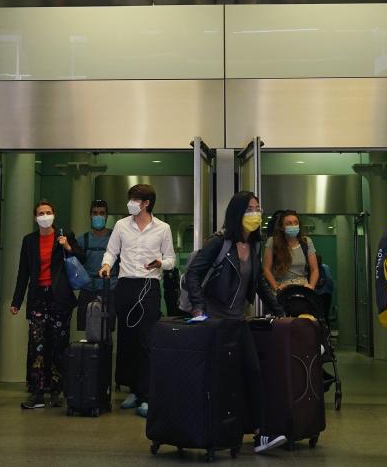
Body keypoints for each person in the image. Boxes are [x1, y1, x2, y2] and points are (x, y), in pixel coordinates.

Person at [183, 191, 286, 454]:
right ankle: (215, 432)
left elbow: (259, 283)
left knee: (253, 373)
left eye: (258, 208)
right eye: (250, 208)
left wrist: (279, 310)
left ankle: (261, 433)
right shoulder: (220, 243)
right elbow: (193, 274)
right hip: (215, 322)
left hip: (239, 321)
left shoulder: (253, 245)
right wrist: (198, 307)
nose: (256, 213)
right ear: (236, 213)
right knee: (220, 380)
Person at [99, 183, 175, 418]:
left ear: (146, 204)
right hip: (125, 285)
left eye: (134, 199)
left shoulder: (163, 228)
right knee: (127, 338)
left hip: (149, 286)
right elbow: (111, 251)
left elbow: (171, 259)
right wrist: (106, 265)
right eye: (130, 198)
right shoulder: (121, 225)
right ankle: (133, 389)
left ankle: (147, 394)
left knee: (147, 340)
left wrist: (160, 263)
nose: (130, 203)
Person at [10, 200, 83, 409]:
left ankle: (56, 391)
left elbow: (82, 257)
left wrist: (67, 246)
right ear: (35, 218)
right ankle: (37, 391)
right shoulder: (29, 241)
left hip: (59, 297)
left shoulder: (64, 235)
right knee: (37, 345)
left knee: (59, 345)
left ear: (54, 215)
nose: (45, 216)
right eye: (41, 213)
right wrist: (17, 300)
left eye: (48, 212)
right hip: (37, 298)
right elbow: (23, 272)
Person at [76, 199, 116, 333]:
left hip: (110, 289)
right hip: (88, 290)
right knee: (87, 329)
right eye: (95, 213)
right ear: (90, 215)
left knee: (107, 331)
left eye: (102, 213)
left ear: (106, 216)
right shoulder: (82, 240)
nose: (98, 216)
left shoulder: (115, 238)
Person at [262, 210, 320, 293]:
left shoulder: (306, 242)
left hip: (302, 289)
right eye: (289, 223)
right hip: (281, 289)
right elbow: (266, 269)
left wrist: (311, 287)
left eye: (296, 223)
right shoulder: (273, 242)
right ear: (282, 227)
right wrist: (276, 287)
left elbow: (314, 269)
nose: (293, 226)